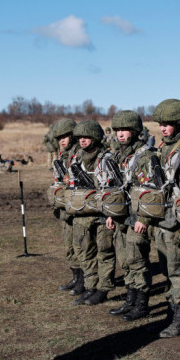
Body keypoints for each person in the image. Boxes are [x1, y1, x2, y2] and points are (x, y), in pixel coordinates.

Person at [105, 110, 157, 321]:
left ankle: (142, 304)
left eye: (125, 130)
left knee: (137, 260)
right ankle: (130, 300)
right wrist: (110, 214)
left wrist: (144, 219)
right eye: (117, 130)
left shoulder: (146, 156)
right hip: (121, 215)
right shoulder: (119, 154)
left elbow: (152, 189)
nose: (120, 134)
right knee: (125, 260)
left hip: (137, 216)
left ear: (135, 131)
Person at [150, 99, 180, 337]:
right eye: (161, 124)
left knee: (178, 270)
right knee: (167, 269)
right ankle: (173, 311)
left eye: (168, 124)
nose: (163, 128)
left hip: (178, 221)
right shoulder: (164, 148)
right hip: (163, 218)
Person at [70, 120, 117, 306]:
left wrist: (111, 214)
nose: (82, 140)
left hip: (103, 213)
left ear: (95, 138)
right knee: (85, 252)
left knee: (104, 252)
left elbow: (115, 189)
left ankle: (103, 288)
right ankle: (90, 286)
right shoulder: (76, 159)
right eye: (80, 137)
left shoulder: (107, 159)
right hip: (82, 213)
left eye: (86, 137)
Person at [52, 119, 87, 297]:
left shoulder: (79, 154)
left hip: (77, 205)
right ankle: (76, 276)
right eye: (59, 138)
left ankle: (84, 280)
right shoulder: (62, 155)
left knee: (80, 244)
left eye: (65, 136)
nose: (62, 140)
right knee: (69, 245)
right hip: (65, 206)